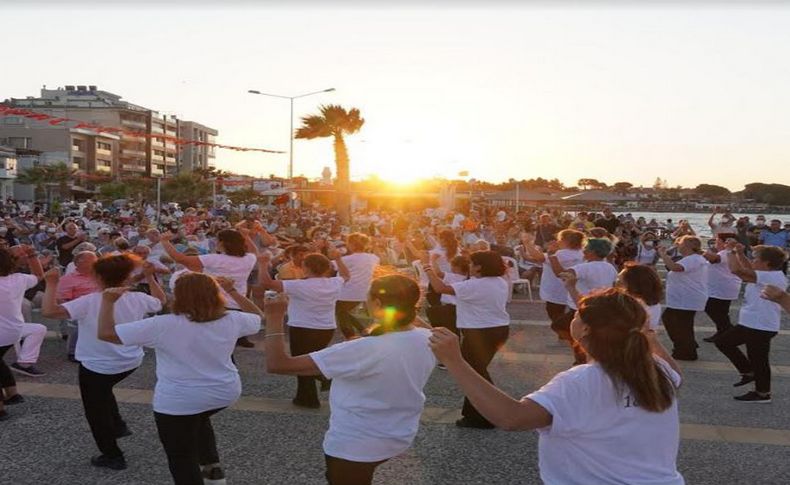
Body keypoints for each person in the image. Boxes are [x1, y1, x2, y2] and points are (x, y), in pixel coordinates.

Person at [430, 288, 684, 485]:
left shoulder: (581, 381)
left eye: (576, 313)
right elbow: (676, 375)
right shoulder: (657, 369)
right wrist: (647, 333)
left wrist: (455, 361)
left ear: (584, 329)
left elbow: (511, 418)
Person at [263, 275, 435, 485]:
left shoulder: (361, 349)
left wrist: (274, 317)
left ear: (378, 304)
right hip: (399, 432)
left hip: (356, 443)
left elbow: (278, 364)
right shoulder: (429, 338)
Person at [97, 273, 262, 484]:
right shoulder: (232, 319)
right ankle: (214, 474)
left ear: (179, 296)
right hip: (224, 391)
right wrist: (231, 290)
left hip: (180, 399)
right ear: (215, 294)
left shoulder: (161, 324)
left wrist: (107, 302)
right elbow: (258, 316)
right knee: (199, 420)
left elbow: (106, 333)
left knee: (181, 456)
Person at [42, 254, 166, 470]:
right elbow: (160, 301)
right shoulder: (137, 297)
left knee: (95, 410)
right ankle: (118, 425)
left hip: (97, 365)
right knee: (104, 389)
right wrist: (150, 277)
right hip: (131, 360)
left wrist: (51, 283)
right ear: (128, 276)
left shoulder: (90, 301)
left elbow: (49, 311)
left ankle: (112, 455)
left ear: (97, 277)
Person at [425, 250, 510, 429]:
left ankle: (487, 415)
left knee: (475, 376)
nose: (469, 267)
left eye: (472, 263)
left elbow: (440, 288)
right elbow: (451, 280)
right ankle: (478, 415)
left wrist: (427, 269)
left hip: (480, 334)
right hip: (497, 329)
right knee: (477, 373)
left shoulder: (476, 286)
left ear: (479, 267)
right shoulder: (498, 281)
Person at [257, 249, 350, 408]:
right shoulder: (334, 283)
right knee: (314, 359)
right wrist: (339, 260)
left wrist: (262, 264)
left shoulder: (299, 285)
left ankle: (311, 395)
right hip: (326, 328)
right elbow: (346, 276)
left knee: (300, 363)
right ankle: (310, 392)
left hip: (302, 327)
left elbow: (267, 283)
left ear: (306, 267)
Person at [159, 228, 258, 348]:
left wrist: (165, 241)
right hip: (238, 303)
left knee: (215, 344)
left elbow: (180, 259)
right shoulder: (249, 259)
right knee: (227, 345)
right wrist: (246, 236)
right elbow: (254, 251)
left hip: (214, 304)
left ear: (222, 243)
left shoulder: (213, 259)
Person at [715, 243, 788, 403]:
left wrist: (730, 252)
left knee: (759, 360)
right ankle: (749, 373)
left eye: (756, 259)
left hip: (760, 326)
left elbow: (737, 271)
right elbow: (748, 269)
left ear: (766, 263)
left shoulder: (772, 277)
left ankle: (762, 393)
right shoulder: (766, 273)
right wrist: (740, 254)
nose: (753, 261)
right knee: (724, 343)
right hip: (752, 324)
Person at [0, 246, 45, 420]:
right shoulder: (19, 279)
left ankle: (1, 410)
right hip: (14, 330)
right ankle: (12, 393)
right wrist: (33, 255)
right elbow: (39, 275)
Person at [558, 238, 618, 364]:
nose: (583, 251)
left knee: (572, 332)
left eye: (586, 249)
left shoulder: (582, 267)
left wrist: (553, 257)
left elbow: (561, 274)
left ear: (592, 252)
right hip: (602, 306)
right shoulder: (610, 267)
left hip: (581, 305)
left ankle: (582, 361)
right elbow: (613, 286)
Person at [521, 230, 585, 341]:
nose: (557, 241)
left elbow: (538, 257)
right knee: (571, 313)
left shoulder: (560, 254)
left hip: (556, 290)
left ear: (566, 241)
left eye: (560, 239)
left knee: (555, 313)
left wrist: (527, 243)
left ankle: (565, 334)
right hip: (575, 288)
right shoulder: (582, 253)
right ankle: (569, 333)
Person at [659, 236, 709, 361]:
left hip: (686, 299)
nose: (678, 246)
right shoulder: (691, 259)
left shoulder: (693, 259)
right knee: (680, 323)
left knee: (677, 323)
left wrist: (663, 255)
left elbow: (675, 267)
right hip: (684, 298)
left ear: (688, 246)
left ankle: (685, 350)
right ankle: (687, 345)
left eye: (680, 244)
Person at [56, 250, 100, 361]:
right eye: (92, 261)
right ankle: (73, 351)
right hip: (80, 308)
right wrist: (72, 311)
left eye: (96, 261)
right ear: (78, 263)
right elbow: (62, 299)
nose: (96, 263)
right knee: (82, 322)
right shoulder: (68, 279)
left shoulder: (100, 276)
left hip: (101, 306)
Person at [335, 233, 380, 339]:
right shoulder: (374, 258)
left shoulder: (347, 259)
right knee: (342, 312)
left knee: (341, 313)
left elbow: (329, 266)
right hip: (364, 292)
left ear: (351, 245)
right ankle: (362, 331)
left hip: (347, 292)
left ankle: (351, 335)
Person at [701, 237, 742, 343]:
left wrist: (697, 250)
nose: (715, 244)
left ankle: (729, 331)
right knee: (721, 312)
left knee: (712, 309)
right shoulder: (725, 252)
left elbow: (714, 259)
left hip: (723, 288)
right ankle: (724, 332)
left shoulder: (726, 252)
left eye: (717, 242)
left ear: (725, 244)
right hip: (720, 288)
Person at [617, 263, 663, 330]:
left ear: (633, 285)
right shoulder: (653, 303)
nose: (616, 283)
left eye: (620, 281)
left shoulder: (635, 306)